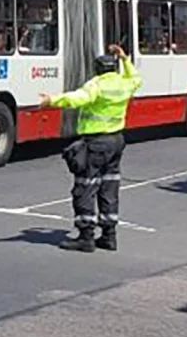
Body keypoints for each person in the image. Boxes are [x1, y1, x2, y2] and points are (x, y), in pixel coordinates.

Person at [40, 44, 142, 253]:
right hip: (116, 141)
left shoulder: (97, 85)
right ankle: (109, 236)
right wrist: (125, 59)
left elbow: (78, 98)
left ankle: (86, 236)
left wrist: (52, 100)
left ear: (97, 69)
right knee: (109, 187)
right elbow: (136, 79)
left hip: (95, 142)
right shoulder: (124, 84)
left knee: (85, 187)